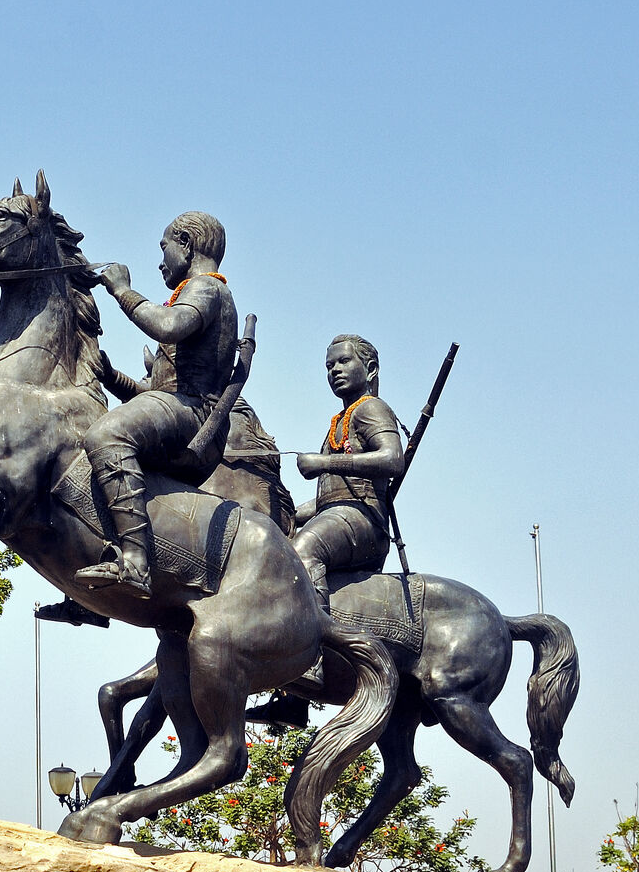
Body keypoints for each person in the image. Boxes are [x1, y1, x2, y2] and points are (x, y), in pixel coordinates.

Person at [78, 212, 240, 595]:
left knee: (107, 435)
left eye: (165, 246)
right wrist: (112, 376)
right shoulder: (196, 292)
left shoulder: (206, 288)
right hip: (178, 408)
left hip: (193, 415)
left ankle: (135, 564)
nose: (161, 258)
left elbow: (167, 326)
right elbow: (154, 393)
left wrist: (122, 291)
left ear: (185, 243)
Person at [253, 336, 406, 729]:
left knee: (304, 551)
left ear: (370, 369)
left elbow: (393, 459)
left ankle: (314, 657)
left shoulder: (371, 409)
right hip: (341, 514)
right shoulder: (342, 419)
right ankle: (289, 697)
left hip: (364, 523)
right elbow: (328, 501)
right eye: (328, 366)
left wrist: (322, 463)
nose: (334, 370)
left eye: (342, 362)